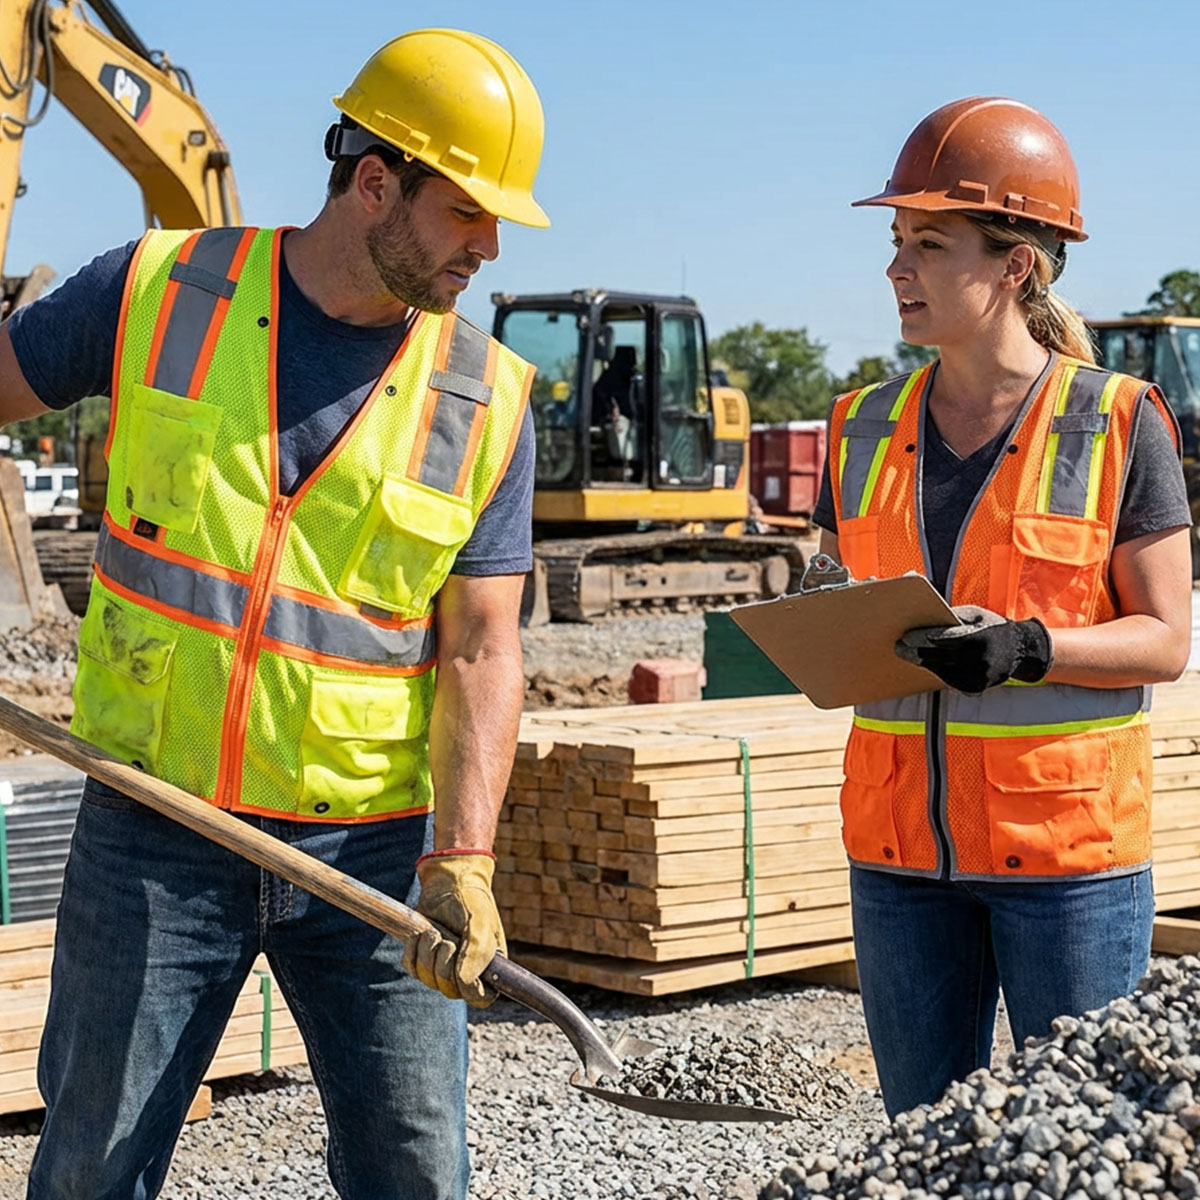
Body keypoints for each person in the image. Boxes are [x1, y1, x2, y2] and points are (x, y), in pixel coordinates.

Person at [0, 28, 549, 1200]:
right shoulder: (154, 290)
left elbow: (484, 648)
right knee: (89, 1173)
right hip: (153, 821)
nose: (489, 249)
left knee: (416, 1174)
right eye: (467, 214)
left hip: (374, 853)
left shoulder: (484, 398)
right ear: (372, 182)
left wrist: (465, 860)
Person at [811, 96, 1193, 1119]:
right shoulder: (857, 427)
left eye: (929, 244)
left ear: (1015, 265)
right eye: (896, 242)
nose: (897, 269)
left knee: (1073, 1146)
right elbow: (831, 593)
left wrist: (1028, 648)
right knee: (922, 1146)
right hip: (899, 861)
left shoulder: (1116, 422)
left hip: (1066, 865)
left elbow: (1164, 642)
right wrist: (815, 622)